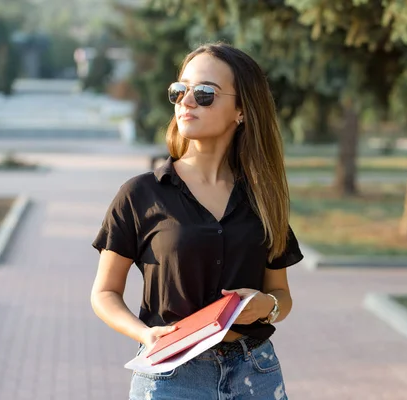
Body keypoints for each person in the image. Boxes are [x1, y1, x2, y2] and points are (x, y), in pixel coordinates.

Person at [90, 42, 304, 400]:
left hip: (256, 372)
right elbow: (104, 293)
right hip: (170, 375)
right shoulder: (140, 194)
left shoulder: (263, 199)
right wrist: (145, 335)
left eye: (205, 93)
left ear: (242, 110)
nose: (186, 101)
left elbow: (281, 293)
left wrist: (267, 306)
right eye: (180, 90)